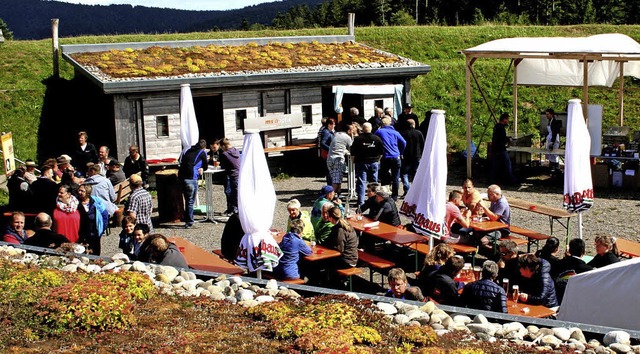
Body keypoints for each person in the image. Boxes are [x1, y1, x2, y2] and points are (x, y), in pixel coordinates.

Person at [350, 122, 383, 207]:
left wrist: (354, 161)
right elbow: (381, 152)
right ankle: (375, 200)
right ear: (371, 128)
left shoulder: (357, 139)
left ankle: (361, 202)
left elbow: (352, 153)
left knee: (361, 182)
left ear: (362, 129)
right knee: (374, 183)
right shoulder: (377, 138)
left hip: (361, 162)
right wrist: (377, 160)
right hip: (374, 162)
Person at [178, 139, 208, 227]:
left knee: (187, 200)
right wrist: (202, 168)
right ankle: (189, 221)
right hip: (192, 178)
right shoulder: (202, 152)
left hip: (183, 177)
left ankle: (186, 217)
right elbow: (205, 165)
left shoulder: (187, 150)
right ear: (204, 147)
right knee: (191, 201)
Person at [375, 117, 406, 201]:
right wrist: (401, 152)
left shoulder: (379, 131)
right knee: (395, 176)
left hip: (385, 156)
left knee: (384, 175)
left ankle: (384, 194)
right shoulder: (396, 132)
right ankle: (395, 196)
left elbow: (375, 140)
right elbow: (403, 142)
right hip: (396, 156)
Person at [475, 184, 510, 250]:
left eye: (489, 194)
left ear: (496, 194)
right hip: (493, 226)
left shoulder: (501, 203)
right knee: (476, 232)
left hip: (501, 229)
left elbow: (494, 217)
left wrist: (484, 207)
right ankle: (479, 249)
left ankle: (496, 251)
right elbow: (490, 213)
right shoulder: (494, 201)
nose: (488, 196)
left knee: (483, 240)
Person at [77, 183, 109, 255]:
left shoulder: (96, 201)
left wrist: (101, 229)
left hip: (94, 233)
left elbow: (105, 215)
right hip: (81, 233)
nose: (79, 192)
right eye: (79, 190)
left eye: (82, 191)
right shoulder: (75, 202)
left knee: (95, 254)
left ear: (88, 193)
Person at [398, 119, 424, 197]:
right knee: (416, 173)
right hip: (417, 156)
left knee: (404, 173)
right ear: (414, 124)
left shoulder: (402, 133)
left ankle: (407, 189)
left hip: (406, 156)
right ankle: (416, 190)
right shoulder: (418, 133)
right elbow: (423, 144)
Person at [327, 122, 354, 196]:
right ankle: (330, 196)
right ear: (348, 131)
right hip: (338, 159)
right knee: (336, 180)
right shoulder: (347, 137)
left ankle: (338, 194)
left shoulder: (337, 134)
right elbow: (352, 148)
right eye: (352, 130)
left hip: (330, 158)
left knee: (337, 178)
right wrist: (352, 136)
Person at [490, 113, 516, 185]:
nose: (508, 121)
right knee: (507, 165)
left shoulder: (496, 126)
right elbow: (502, 138)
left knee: (496, 165)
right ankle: (511, 180)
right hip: (500, 149)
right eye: (507, 119)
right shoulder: (501, 128)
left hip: (496, 149)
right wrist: (509, 140)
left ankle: (494, 179)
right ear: (504, 119)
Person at [219, 138, 240, 216]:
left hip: (232, 174)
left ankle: (234, 211)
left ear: (224, 146)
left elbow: (223, 166)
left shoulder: (225, 154)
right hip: (239, 174)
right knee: (236, 193)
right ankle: (236, 210)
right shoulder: (236, 150)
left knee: (232, 194)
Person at [318, 118, 336, 185]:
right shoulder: (326, 132)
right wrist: (330, 149)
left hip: (331, 154)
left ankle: (332, 187)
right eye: (333, 124)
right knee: (330, 172)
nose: (334, 126)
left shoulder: (332, 131)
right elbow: (322, 143)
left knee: (332, 172)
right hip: (327, 154)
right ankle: (331, 187)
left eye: (334, 124)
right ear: (329, 125)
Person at [545, 108, 562, 173]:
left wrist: (552, 142)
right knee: (550, 154)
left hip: (554, 139)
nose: (547, 116)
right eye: (546, 114)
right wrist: (544, 141)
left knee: (554, 154)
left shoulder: (554, 122)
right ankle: (552, 168)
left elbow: (554, 133)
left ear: (551, 115)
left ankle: (557, 168)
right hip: (550, 138)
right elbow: (548, 132)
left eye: (548, 114)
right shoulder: (549, 122)